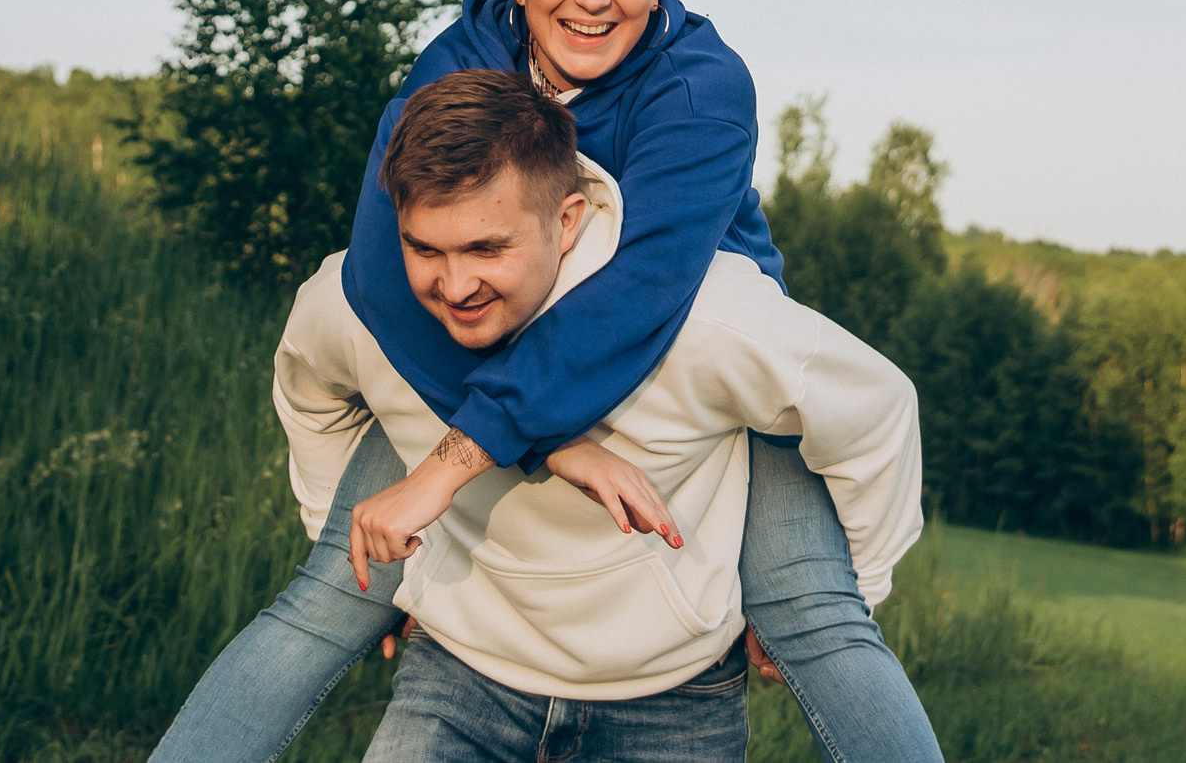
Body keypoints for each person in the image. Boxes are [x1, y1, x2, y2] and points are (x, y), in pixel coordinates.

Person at [151, 0, 941, 763]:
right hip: (489, 338)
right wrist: (546, 447)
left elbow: (641, 294)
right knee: (331, 593)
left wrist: (459, 460)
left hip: (673, 348)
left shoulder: (700, 88)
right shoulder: (459, 64)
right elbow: (378, 272)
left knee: (818, 616)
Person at [274, 69, 924, 762]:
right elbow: (307, 387)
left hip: (674, 697)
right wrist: (356, 558)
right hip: (458, 674)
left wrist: (851, 590)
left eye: (487, 249)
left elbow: (878, 409)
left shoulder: (708, 315)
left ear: (566, 220)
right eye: (425, 248)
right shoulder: (364, 306)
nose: (455, 285)